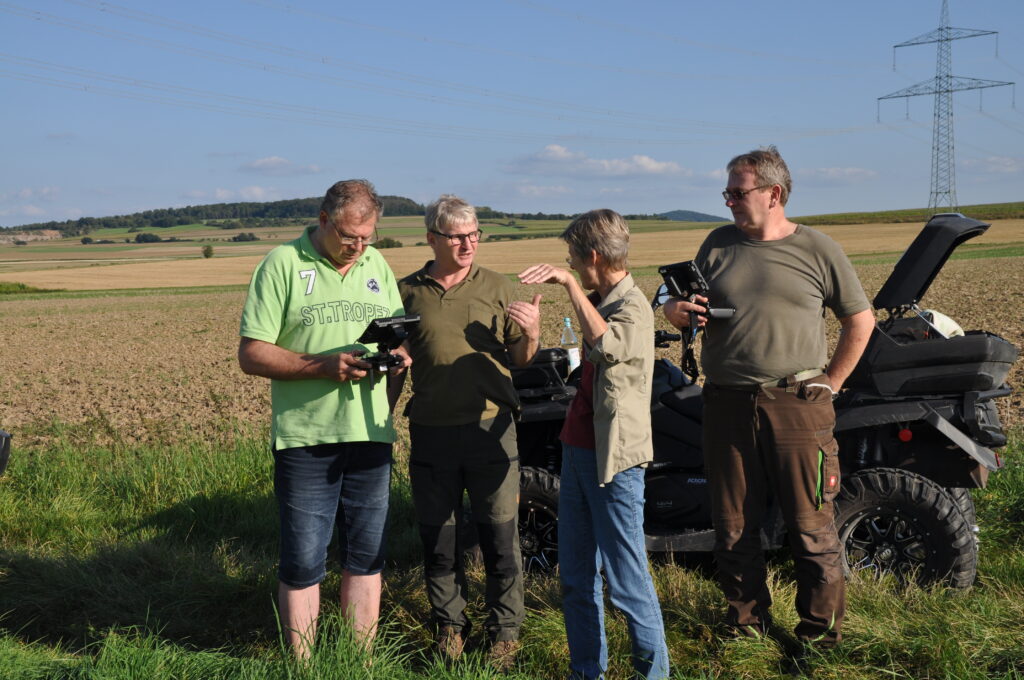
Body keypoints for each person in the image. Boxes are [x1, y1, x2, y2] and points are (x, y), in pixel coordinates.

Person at [663, 146, 875, 655]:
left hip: (797, 404)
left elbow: (859, 321)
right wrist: (676, 311)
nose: (730, 201)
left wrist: (832, 382)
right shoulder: (716, 244)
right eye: (728, 193)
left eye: (739, 192)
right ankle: (746, 630)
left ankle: (820, 638)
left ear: (773, 193)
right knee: (732, 525)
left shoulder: (818, 249)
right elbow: (677, 306)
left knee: (811, 526)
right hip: (726, 406)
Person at [238, 179, 409, 658]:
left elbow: (395, 338)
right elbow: (251, 354)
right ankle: (304, 664)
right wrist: (322, 366)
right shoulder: (283, 264)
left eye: (366, 237)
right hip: (306, 437)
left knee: (367, 556)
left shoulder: (377, 264)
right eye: (348, 236)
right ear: (323, 221)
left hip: (371, 433)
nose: (357, 247)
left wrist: (397, 358)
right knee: (303, 560)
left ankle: (360, 660)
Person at [519, 209, 670, 680]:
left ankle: (655, 674)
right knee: (576, 579)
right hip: (578, 451)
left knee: (627, 583)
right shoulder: (602, 300)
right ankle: (587, 672)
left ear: (593, 256)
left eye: (572, 258)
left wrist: (567, 285)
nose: (570, 264)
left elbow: (604, 346)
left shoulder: (633, 308)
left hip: (614, 464)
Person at [394, 194, 540, 671]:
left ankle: (504, 632)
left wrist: (533, 333)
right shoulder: (406, 293)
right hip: (432, 430)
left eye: (474, 234)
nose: (468, 243)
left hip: (491, 433)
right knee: (439, 539)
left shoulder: (498, 287)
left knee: (500, 537)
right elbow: (393, 362)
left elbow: (520, 359)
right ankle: (450, 627)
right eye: (457, 236)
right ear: (432, 238)